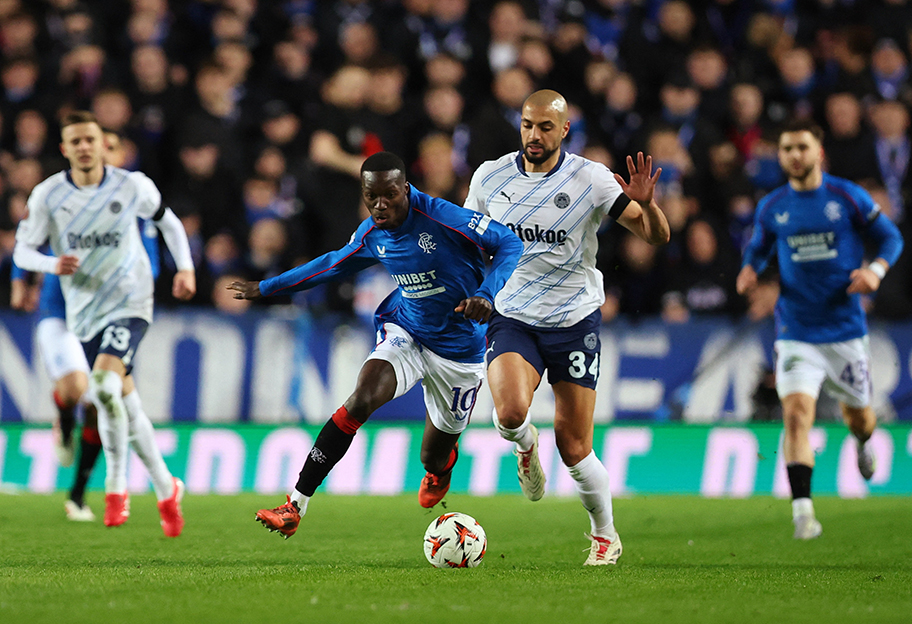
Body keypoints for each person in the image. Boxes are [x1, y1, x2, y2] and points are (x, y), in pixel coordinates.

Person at [229, 151, 523, 539]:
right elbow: (329, 265)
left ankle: (441, 469)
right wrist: (267, 287)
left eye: (389, 195)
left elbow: (509, 243)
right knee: (361, 398)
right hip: (407, 331)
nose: (380, 205)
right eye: (372, 198)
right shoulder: (372, 234)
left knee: (432, 457)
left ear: (406, 188)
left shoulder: (444, 217)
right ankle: (295, 505)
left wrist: (487, 293)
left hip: (459, 350)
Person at [464, 90, 670, 565]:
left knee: (575, 446)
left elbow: (656, 236)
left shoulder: (591, 180)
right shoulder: (490, 178)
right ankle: (524, 445)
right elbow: (468, 240)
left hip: (575, 320)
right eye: (528, 126)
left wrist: (649, 206)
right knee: (512, 412)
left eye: (545, 128)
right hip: (512, 313)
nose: (534, 136)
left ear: (564, 131)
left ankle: (605, 534)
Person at [13, 111, 197, 536]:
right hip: (79, 312)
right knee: (124, 403)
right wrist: (45, 266)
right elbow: (24, 249)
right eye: (75, 141)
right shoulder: (49, 195)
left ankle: (115, 488)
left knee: (99, 388)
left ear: (104, 145)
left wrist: (183, 268)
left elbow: (167, 222)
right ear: (64, 149)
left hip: (130, 303)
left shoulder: (131, 187)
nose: (84, 147)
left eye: (90, 139)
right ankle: (167, 486)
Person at [736, 118, 904, 540]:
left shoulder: (847, 196)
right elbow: (758, 248)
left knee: (859, 418)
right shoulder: (773, 206)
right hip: (795, 330)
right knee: (795, 416)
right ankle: (803, 512)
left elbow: (891, 239)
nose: (795, 155)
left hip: (845, 331)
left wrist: (875, 272)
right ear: (781, 156)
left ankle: (865, 442)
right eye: (787, 148)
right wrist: (748, 272)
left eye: (802, 147)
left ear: (818, 152)